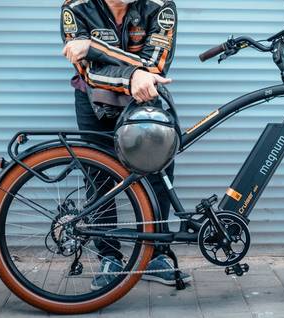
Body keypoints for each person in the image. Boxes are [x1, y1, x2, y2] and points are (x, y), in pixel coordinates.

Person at [59, 0, 191, 289]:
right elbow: (89, 73)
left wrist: (94, 48)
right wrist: (133, 74)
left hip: (145, 93)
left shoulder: (160, 6)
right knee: (99, 178)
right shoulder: (76, 7)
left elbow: (154, 66)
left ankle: (154, 256)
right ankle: (109, 257)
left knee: (158, 174)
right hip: (93, 100)